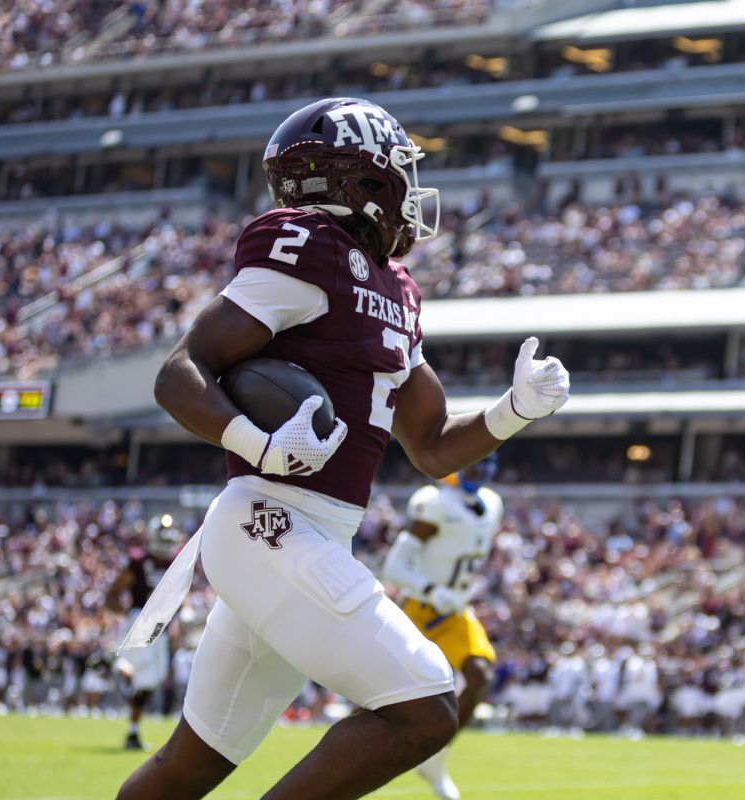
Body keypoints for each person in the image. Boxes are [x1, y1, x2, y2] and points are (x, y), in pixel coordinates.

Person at [117, 97, 571, 800]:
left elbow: (430, 445)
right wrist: (256, 443)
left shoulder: (396, 289)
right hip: (267, 519)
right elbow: (181, 372)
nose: (410, 193)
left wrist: (516, 410)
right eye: (398, 174)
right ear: (359, 182)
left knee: (190, 766)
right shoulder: (309, 246)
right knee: (424, 704)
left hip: (308, 536)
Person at [381, 453, 504, 800]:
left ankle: (436, 758)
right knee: (379, 696)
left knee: (480, 675)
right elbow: (395, 567)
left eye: (484, 463)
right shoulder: (434, 504)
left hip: (455, 611)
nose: (478, 470)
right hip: (419, 610)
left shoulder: (492, 504)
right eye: (473, 462)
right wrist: (433, 590)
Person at [107, 515, 184, 750]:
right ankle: (117, 666)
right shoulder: (138, 562)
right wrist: (129, 616)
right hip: (140, 621)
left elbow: (178, 598)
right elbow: (112, 596)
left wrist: (172, 626)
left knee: (150, 682)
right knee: (141, 677)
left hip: (159, 627)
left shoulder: (174, 563)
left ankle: (132, 732)